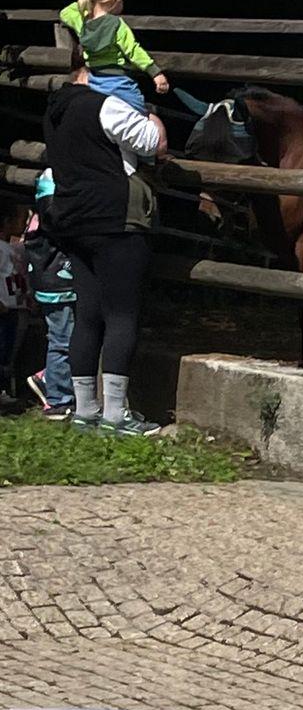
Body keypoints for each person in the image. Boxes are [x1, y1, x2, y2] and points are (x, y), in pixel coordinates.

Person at [41, 66, 165, 434]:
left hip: (74, 219)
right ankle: (115, 414)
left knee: (88, 314)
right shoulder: (105, 105)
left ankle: (85, 409)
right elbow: (152, 143)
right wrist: (151, 116)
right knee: (122, 314)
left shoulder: (55, 111)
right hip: (115, 219)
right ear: (89, 70)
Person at [59, 0, 169, 111]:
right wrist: (155, 72)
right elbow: (133, 50)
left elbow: (64, 13)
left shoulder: (82, 22)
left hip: (95, 81)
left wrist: (86, 3)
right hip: (119, 82)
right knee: (139, 111)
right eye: (121, 0)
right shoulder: (116, 24)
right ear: (113, 1)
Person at [24, 179, 77, 420]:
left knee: (65, 337)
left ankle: (49, 378)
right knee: (62, 340)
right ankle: (57, 399)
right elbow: (60, 224)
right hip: (57, 283)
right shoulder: (52, 198)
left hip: (57, 281)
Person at [0, 205, 24, 407]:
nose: (23, 224)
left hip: (13, 307)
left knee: (8, 351)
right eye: (21, 219)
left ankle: (5, 389)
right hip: (3, 307)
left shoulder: (11, 248)